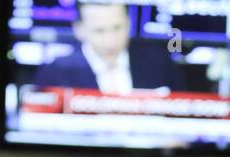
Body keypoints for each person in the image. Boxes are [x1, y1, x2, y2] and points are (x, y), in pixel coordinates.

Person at [30, 2, 177, 93]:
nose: (110, 41)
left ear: (129, 23)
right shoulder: (55, 72)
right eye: (99, 31)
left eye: (117, 28)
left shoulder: (159, 64)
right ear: (79, 30)